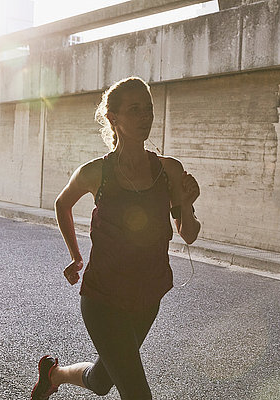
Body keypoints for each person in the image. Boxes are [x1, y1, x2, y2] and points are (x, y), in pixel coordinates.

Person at [31, 76, 201, 400]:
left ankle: (53, 374)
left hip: (147, 297)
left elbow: (189, 234)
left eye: (148, 109)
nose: (144, 117)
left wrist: (189, 204)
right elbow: (62, 203)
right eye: (134, 110)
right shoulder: (96, 172)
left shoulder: (170, 171)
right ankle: (54, 374)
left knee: (100, 380)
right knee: (138, 394)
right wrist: (75, 256)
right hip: (103, 298)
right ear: (114, 118)